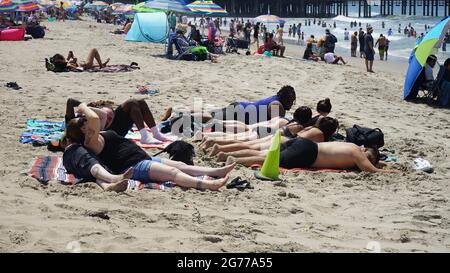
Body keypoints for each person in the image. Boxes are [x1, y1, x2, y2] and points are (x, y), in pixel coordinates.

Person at [63, 103, 236, 191]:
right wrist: (83, 106)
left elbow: (101, 114)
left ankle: (216, 172)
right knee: (174, 174)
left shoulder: (97, 132)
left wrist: (83, 110)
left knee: (183, 166)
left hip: (143, 158)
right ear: (84, 129)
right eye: (82, 121)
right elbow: (93, 117)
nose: (86, 119)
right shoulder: (90, 140)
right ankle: (208, 185)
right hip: (134, 165)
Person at [225, 138, 398, 174]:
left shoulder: (352, 146)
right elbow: (371, 170)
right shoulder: (357, 154)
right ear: (367, 153)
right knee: (267, 159)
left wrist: (382, 164)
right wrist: (393, 172)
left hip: (305, 144)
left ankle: (226, 153)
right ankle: (235, 160)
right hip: (308, 153)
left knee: (262, 153)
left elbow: (371, 165)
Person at [207, 116, 339, 158]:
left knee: (249, 145)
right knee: (254, 150)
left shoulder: (312, 128)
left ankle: (218, 144)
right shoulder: (320, 135)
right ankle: (224, 152)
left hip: (278, 137)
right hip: (285, 142)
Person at [65, 98, 170, 143]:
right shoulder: (79, 130)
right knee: (132, 103)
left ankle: (155, 133)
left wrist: (85, 106)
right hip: (111, 131)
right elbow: (103, 116)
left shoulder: (70, 122)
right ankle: (145, 136)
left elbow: (70, 101)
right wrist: (86, 108)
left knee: (139, 102)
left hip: (113, 119)